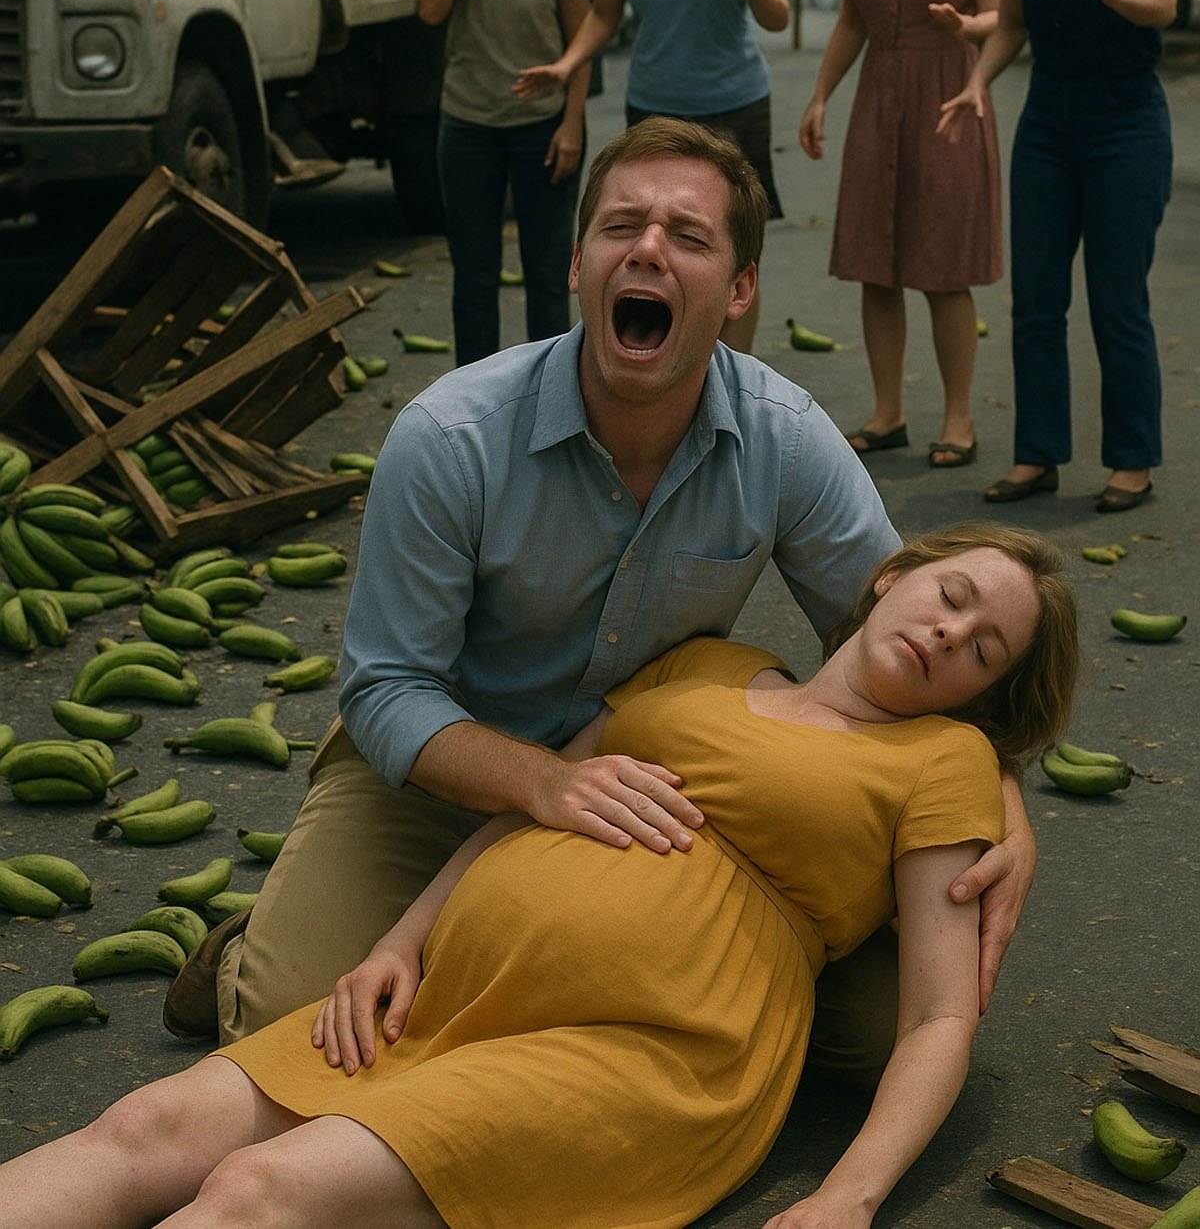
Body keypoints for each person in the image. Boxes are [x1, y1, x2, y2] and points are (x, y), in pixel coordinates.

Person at [164, 119, 1037, 1104]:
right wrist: (542, 781)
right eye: (622, 227)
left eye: (690, 237)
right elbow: (386, 690)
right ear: (578, 265)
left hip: (657, 786)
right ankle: (250, 946)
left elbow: (914, 630)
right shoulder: (451, 436)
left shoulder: (785, 441)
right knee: (298, 1029)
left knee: (877, 1033)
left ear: (740, 289)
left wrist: (1005, 806)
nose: (650, 249)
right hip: (438, 778)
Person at [2, 523, 1080, 1229]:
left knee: (259, 1190)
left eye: (984, 649)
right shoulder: (709, 665)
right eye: (949, 595)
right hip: (455, 999)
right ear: (891, 576)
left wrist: (850, 1196)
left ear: (983, 697)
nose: (950, 632)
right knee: (142, 1130)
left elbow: (940, 1015)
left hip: (653, 1048)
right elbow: (546, 800)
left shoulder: (945, 761)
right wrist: (399, 942)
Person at [938, 0, 1176, 512]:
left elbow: (1163, 0)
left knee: (1117, 299)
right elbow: (1011, 23)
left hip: (1126, 124)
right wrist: (976, 82)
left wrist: (1120, 0)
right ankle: (1037, 455)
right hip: (1047, 126)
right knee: (1037, 302)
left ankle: (1131, 461)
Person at [514, 0, 790, 353]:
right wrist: (568, 64)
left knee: (733, 250)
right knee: (658, 243)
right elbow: (604, 14)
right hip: (655, 108)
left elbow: (777, 16)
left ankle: (733, 374)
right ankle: (671, 363)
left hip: (735, 102)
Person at [799, 0, 1003, 469]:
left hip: (948, 101)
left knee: (944, 269)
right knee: (875, 265)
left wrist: (966, 26)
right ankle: (887, 413)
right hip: (878, 103)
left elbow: (1000, 15)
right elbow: (851, 21)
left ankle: (958, 418)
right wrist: (820, 97)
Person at [417, 0, 593, 367]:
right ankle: (472, 396)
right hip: (468, 125)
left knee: (548, 272)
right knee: (473, 273)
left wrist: (572, 124)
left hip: (543, 126)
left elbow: (582, 37)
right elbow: (430, 9)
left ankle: (550, 389)